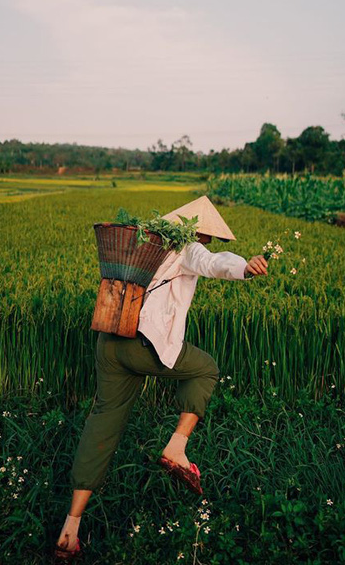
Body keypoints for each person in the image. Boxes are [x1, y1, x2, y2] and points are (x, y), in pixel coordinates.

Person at [53, 195, 268, 561]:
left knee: (103, 422)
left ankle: (70, 529)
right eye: (207, 237)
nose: (207, 243)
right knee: (206, 369)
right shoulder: (187, 246)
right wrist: (245, 268)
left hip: (110, 340)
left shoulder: (142, 244)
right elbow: (211, 262)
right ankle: (177, 447)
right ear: (198, 232)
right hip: (144, 343)